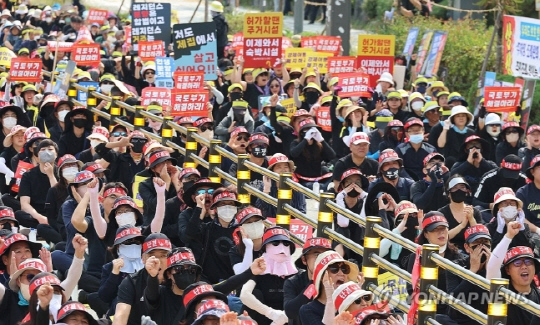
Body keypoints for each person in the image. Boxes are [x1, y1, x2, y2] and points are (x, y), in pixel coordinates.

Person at [240, 227, 298, 325]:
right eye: (275, 243)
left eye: (286, 244)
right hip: (260, 319)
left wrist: (283, 318)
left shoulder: (297, 274)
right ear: (266, 247)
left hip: (286, 320)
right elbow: (244, 295)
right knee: (256, 293)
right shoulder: (258, 270)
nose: (281, 248)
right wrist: (270, 313)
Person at [486, 222, 540, 325]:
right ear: (507, 270)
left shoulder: (538, 293)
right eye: (517, 263)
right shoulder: (500, 293)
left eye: (528, 262)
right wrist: (508, 236)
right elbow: (493, 266)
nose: (524, 266)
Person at [185, 188, 241, 283]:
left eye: (231, 204)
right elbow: (190, 233)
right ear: (215, 208)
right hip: (208, 283)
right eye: (223, 204)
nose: (227, 208)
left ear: (236, 208)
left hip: (235, 283)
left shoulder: (242, 231)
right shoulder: (207, 229)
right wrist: (199, 207)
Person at [446, 225, 492, 325]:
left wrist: (490, 271)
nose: (482, 247)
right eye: (477, 243)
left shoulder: (497, 268)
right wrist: (472, 272)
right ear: (467, 247)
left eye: (485, 242)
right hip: (461, 320)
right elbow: (453, 300)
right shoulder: (455, 266)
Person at [299, 251, 359, 325]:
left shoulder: (353, 305)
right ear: (321, 276)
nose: (341, 273)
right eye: (334, 268)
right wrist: (330, 299)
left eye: (345, 269)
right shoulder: (308, 310)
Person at [284, 237, 332, 325]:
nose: (322, 260)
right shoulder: (293, 282)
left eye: (326, 255)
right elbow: (291, 312)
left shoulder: (337, 280)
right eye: (317, 255)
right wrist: (314, 284)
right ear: (304, 260)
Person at [16, 139, 58, 229]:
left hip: (56, 212)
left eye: (50, 150)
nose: (46, 152)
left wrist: (51, 175)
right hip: (37, 214)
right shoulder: (28, 175)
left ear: (56, 154)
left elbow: (59, 198)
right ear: (38, 155)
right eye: (43, 150)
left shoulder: (61, 172)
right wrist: (39, 217)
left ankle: (47, 228)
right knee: (19, 215)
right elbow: (24, 204)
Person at [473, 154, 527, 222]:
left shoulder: (524, 179)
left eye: (513, 173)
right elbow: (475, 201)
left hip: (516, 214)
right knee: (478, 209)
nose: (509, 178)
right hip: (492, 215)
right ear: (501, 166)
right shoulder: (488, 178)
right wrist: (491, 205)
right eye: (508, 173)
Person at [290, 118, 335, 191]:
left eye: (312, 129)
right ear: (302, 132)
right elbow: (294, 154)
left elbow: (332, 155)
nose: (311, 132)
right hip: (301, 179)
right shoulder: (295, 143)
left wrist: (322, 140)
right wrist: (305, 140)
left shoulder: (319, 145)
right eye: (307, 129)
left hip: (317, 179)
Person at [438, 175, 482, 250]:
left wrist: (471, 219)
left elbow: (480, 237)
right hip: (448, 251)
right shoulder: (442, 213)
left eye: (462, 187)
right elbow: (442, 237)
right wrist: (462, 225)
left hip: (471, 251)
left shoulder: (474, 212)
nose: (459, 190)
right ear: (448, 193)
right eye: (455, 188)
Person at [334, 168, 369, 261]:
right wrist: (340, 197)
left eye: (357, 182)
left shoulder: (363, 202)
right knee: (341, 231)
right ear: (343, 185)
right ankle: (337, 262)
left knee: (362, 230)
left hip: (359, 243)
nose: (353, 186)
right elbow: (343, 223)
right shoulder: (337, 201)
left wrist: (366, 197)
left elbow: (361, 222)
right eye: (349, 182)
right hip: (342, 243)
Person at [516, 155, 540, 238]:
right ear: (532, 171)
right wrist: (537, 230)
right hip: (533, 233)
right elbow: (521, 219)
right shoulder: (522, 193)